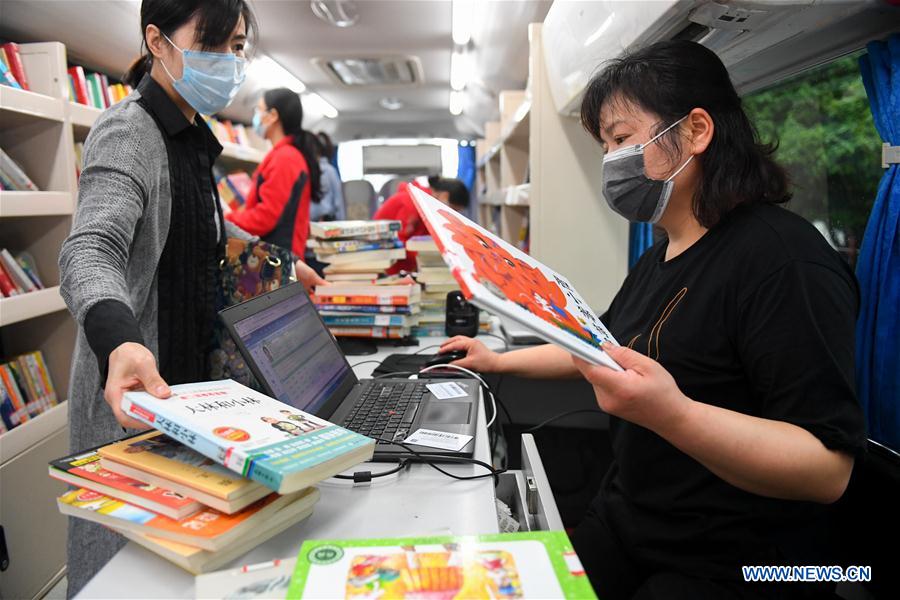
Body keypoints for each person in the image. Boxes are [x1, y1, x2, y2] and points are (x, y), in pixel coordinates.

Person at [440, 40, 865, 599]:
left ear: (696, 131)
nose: (610, 161)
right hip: (633, 522)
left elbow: (827, 471)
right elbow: (597, 344)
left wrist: (674, 415)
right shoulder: (662, 253)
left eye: (621, 139)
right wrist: (497, 361)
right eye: (605, 146)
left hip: (740, 559)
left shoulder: (784, 262)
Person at [57, 1, 323, 594]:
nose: (229, 60)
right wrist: (120, 340)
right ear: (157, 41)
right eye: (212, 43)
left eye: (237, 46)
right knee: (127, 577)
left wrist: (283, 264)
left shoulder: (193, 136)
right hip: (139, 395)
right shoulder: (129, 132)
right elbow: (90, 249)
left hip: (191, 397)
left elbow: (208, 226)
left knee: (188, 565)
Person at [226, 87, 322, 257]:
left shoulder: (286, 158)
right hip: (277, 256)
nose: (256, 116)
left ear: (273, 116)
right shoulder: (284, 154)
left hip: (279, 260)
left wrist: (227, 218)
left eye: (259, 110)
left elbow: (265, 218)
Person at [374, 175, 470, 272]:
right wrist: (428, 255)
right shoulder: (413, 203)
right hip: (384, 263)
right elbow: (400, 242)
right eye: (453, 209)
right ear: (444, 196)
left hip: (401, 264)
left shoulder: (426, 205)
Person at [309, 132, 345, 222]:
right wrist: (341, 222)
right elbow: (338, 202)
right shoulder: (330, 171)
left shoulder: (308, 170)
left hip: (311, 222)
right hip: (326, 221)